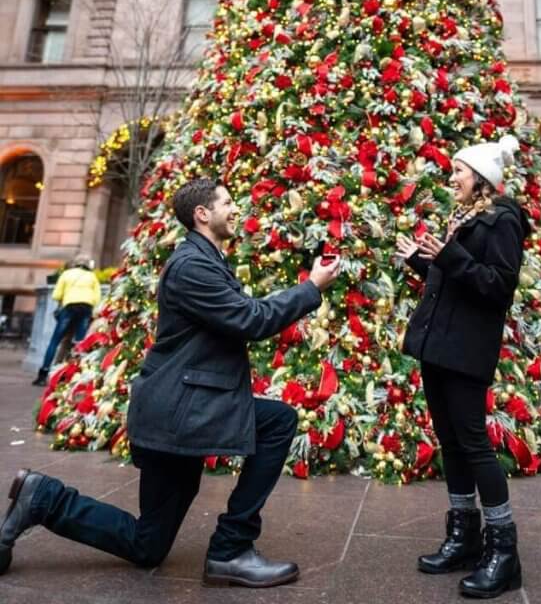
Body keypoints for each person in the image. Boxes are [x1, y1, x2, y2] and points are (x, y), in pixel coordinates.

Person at [1, 177, 340, 587]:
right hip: (182, 411)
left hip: (184, 409)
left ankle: (43, 498)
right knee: (278, 420)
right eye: (228, 201)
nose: (237, 209)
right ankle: (231, 549)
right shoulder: (192, 265)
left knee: (148, 545)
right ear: (202, 214)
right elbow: (250, 319)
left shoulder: (205, 260)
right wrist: (311, 288)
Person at [397, 134, 529, 600]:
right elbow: (454, 278)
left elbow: (497, 286)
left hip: (466, 348)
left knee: (473, 444)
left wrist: (448, 255)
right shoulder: (465, 218)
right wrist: (420, 262)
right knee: (451, 443)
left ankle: (503, 551)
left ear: (482, 179)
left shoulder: (503, 219)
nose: (451, 177)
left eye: (458, 170)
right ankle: (464, 537)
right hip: (439, 343)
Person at [32, 253, 101, 386]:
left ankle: (43, 374)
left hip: (69, 308)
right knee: (79, 343)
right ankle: (74, 375)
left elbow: (56, 294)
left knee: (55, 341)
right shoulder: (92, 277)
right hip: (85, 309)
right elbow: (97, 298)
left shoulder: (67, 274)